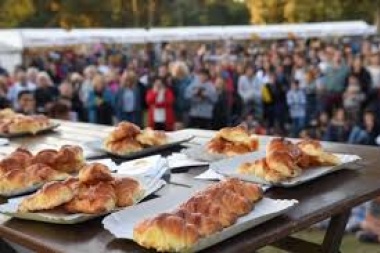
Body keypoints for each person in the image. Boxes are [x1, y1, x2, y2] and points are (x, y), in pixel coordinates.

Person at [170, 61, 192, 129]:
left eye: (180, 69)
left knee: (185, 128)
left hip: (186, 108)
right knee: (176, 127)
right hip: (175, 107)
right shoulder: (173, 81)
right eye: (177, 69)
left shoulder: (189, 80)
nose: (179, 71)